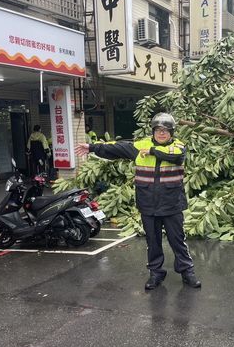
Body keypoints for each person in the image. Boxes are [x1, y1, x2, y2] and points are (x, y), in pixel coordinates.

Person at [76, 113, 202, 290]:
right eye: (158, 129)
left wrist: (152, 151)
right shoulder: (140, 145)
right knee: (153, 241)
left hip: (172, 203)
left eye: (166, 130)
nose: (162, 133)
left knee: (177, 239)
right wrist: (91, 147)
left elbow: (176, 157)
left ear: (172, 132)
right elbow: (117, 148)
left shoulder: (178, 146)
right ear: (153, 131)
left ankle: (187, 272)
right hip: (148, 203)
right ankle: (156, 273)